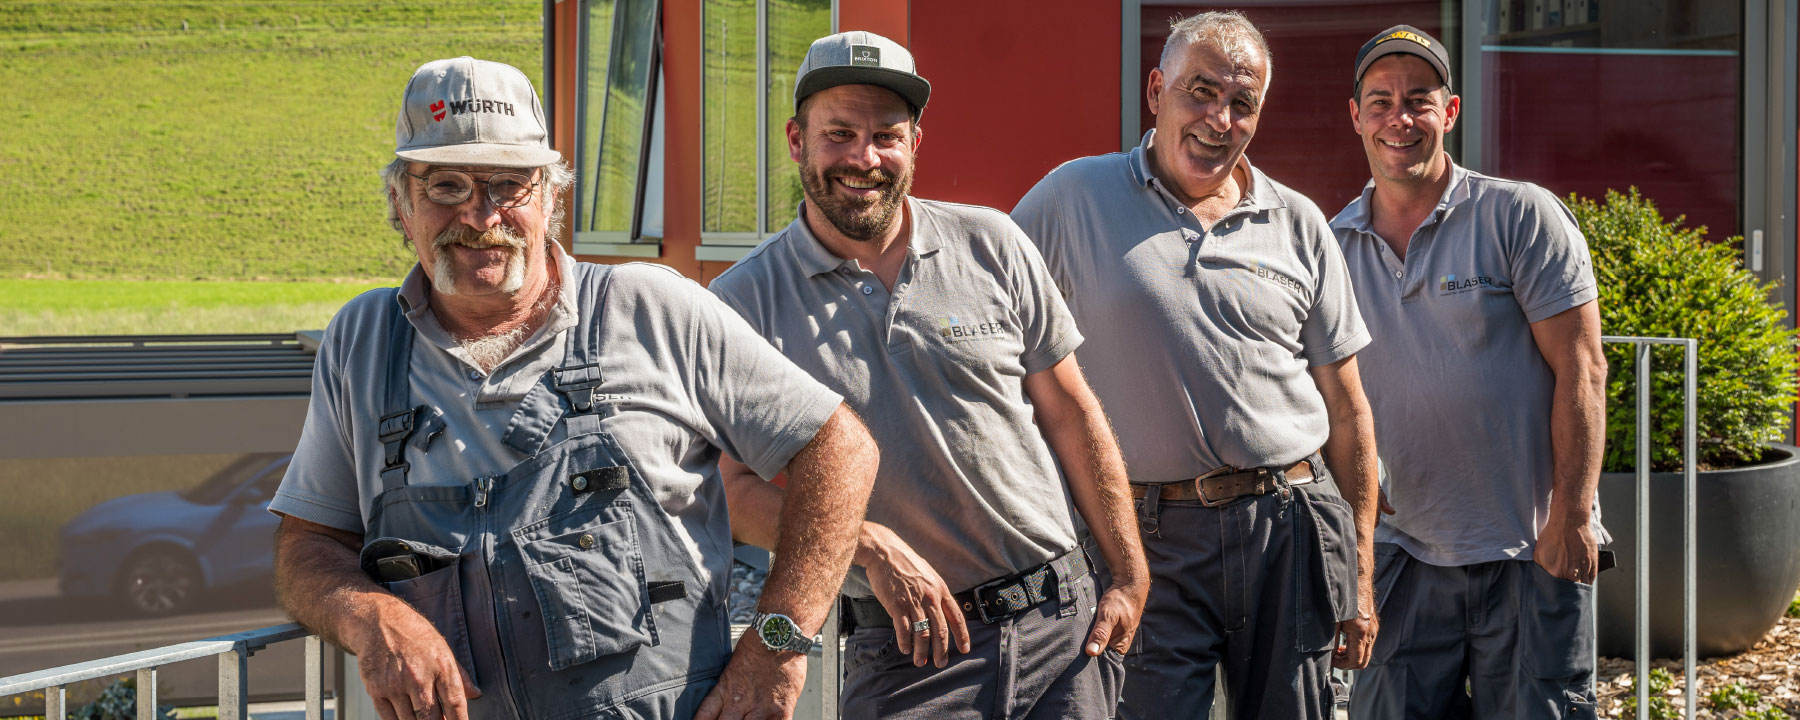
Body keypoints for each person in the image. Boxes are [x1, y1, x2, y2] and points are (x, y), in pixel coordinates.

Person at [268, 56, 879, 720]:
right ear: (399, 203)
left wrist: (778, 648)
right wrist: (369, 615)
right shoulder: (362, 341)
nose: (480, 215)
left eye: (510, 185)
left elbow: (838, 447)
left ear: (552, 198)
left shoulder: (647, 309)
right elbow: (308, 545)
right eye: (444, 185)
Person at [707, 31, 1150, 720]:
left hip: (1063, 632)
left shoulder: (992, 242)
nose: (864, 158)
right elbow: (733, 491)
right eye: (840, 134)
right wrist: (867, 545)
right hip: (909, 651)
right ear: (796, 140)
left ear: (916, 144)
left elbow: (1071, 410)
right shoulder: (743, 303)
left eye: (886, 136)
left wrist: (1127, 572)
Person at [1011, 11, 1382, 720]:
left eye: (1242, 103)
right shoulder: (1071, 198)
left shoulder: (1298, 221)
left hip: (1292, 525)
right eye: (1201, 92)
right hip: (1148, 535)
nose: (1220, 118)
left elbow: (1349, 406)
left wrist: (1360, 572)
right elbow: (993, 325)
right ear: (1156, 91)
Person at [1330, 25, 1609, 719]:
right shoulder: (1331, 246)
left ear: (1448, 113)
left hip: (1531, 547)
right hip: (1402, 555)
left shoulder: (1519, 216)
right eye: (1381, 100)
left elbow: (1583, 368)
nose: (1401, 118)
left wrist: (1573, 513)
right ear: (1356, 115)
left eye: (1419, 100)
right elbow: (1317, 394)